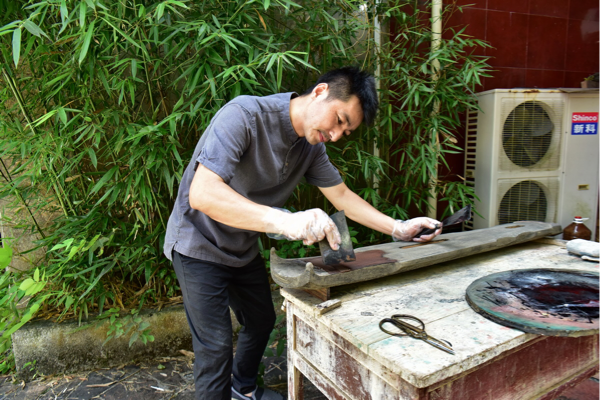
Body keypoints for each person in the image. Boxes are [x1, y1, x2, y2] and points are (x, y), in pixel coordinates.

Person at [163, 66, 442, 400]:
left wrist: (398, 228)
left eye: (346, 131)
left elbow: (342, 197)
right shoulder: (244, 116)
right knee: (216, 347)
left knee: (261, 321)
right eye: (339, 120)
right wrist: (286, 222)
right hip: (197, 243)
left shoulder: (311, 148)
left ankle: (243, 389)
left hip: (241, 245)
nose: (337, 135)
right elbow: (203, 194)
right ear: (321, 91)